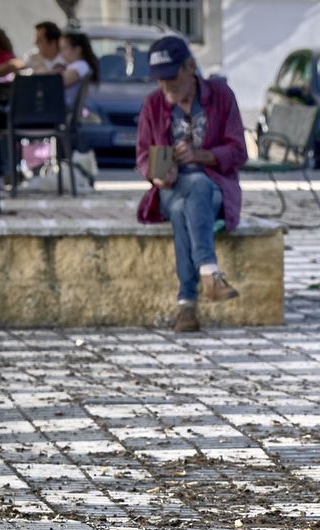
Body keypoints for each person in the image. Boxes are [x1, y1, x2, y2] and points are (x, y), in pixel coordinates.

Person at [136, 35, 247, 333]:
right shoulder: (154, 104)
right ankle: (209, 273)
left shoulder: (221, 96)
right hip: (170, 190)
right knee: (185, 200)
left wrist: (202, 155)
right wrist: (158, 174)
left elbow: (239, 151)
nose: (165, 86)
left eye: (171, 77)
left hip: (214, 187)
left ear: (190, 67)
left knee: (194, 191)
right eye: (159, 80)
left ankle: (187, 303)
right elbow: (143, 156)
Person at [58, 30, 97, 110]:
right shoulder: (74, 66)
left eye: (64, 48)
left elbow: (57, 83)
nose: (61, 53)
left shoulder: (81, 66)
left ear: (77, 50)